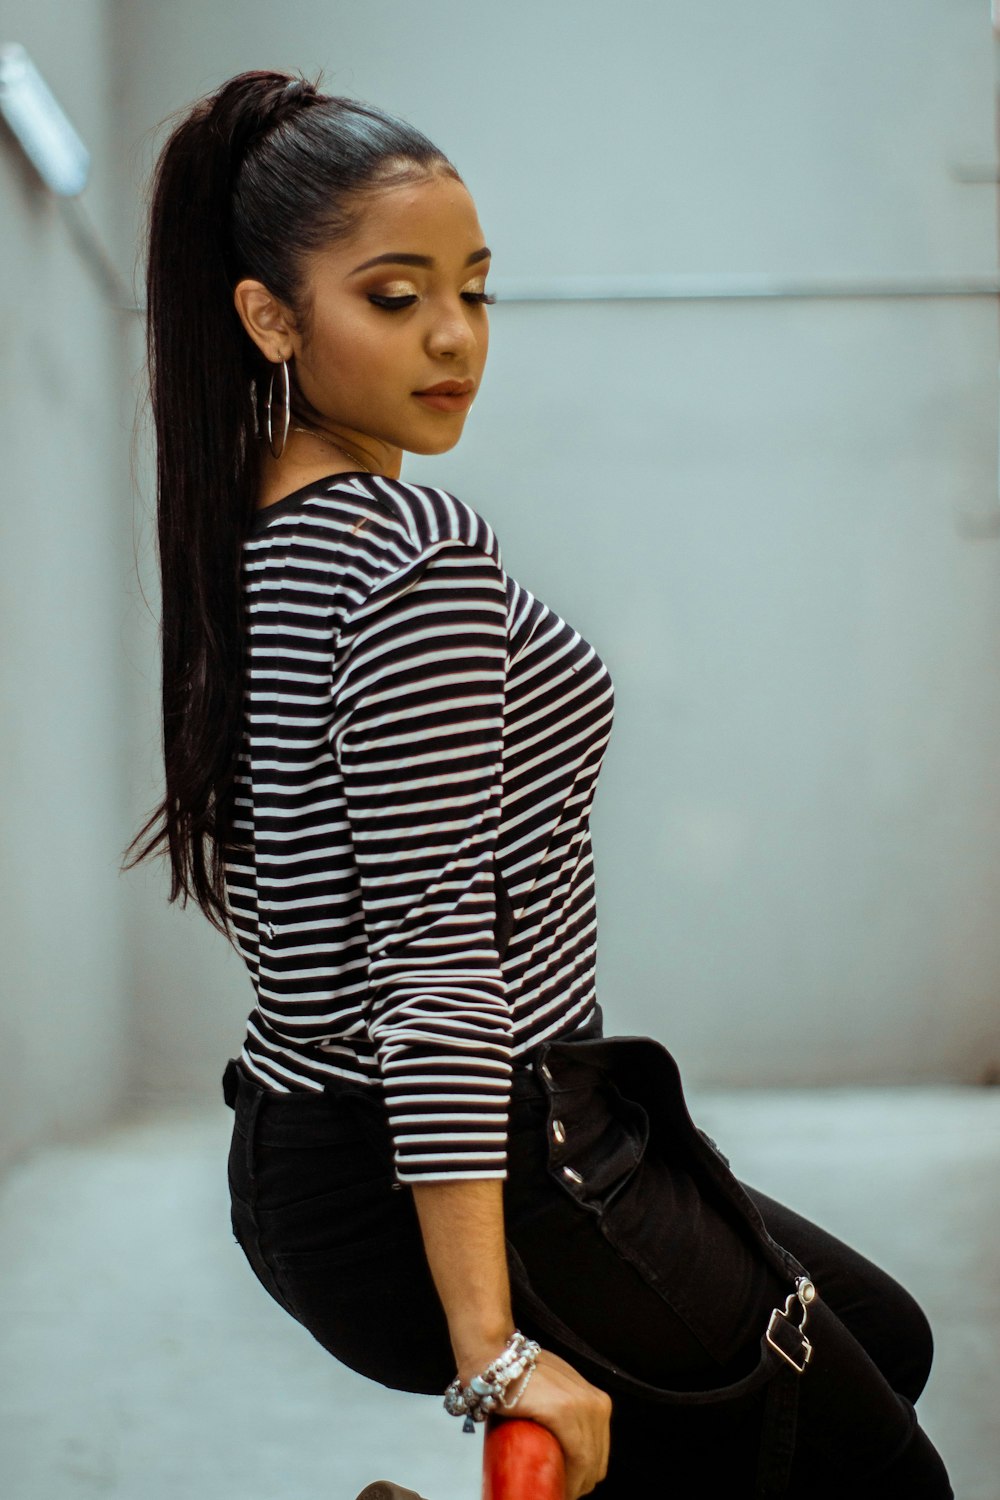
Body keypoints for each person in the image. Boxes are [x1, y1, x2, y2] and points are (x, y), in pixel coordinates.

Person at [124, 69, 953, 1499]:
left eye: (478, 291)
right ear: (272, 317)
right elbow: (435, 958)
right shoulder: (409, 552)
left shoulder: (247, 530)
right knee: (880, 1475)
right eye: (394, 297)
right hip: (470, 1159)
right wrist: (495, 1351)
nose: (454, 338)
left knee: (882, 1337)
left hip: (309, 1155)